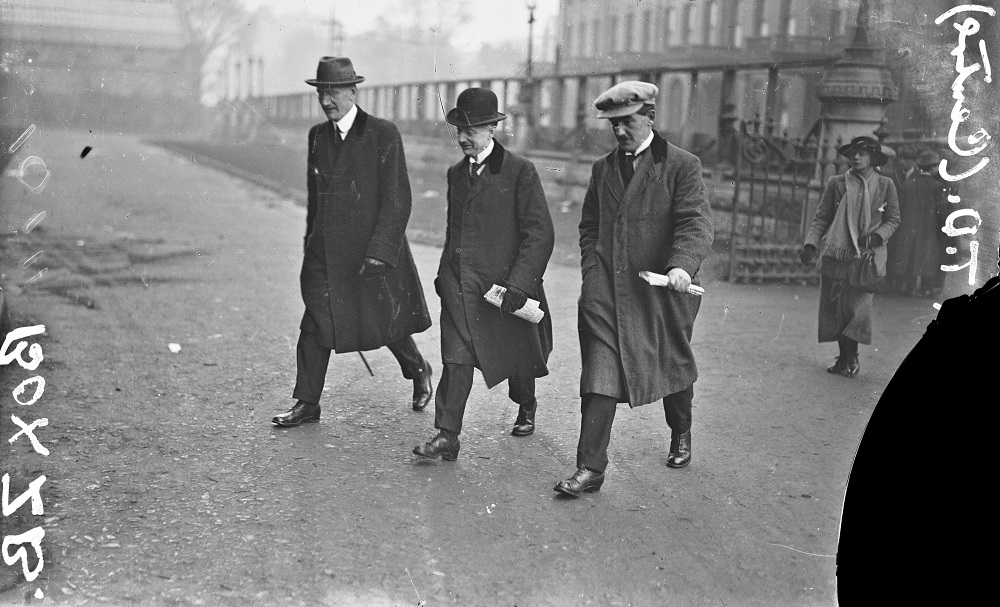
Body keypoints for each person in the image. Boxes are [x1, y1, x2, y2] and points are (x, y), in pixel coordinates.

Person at [554, 81, 714, 497]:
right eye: (614, 125)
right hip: (607, 291)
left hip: (662, 293)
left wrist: (681, 265)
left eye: (628, 122)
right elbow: (589, 227)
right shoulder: (603, 169)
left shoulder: (681, 165)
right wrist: (593, 273)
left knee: (671, 367)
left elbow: (694, 223)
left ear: (650, 118)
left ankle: (681, 430)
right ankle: (590, 467)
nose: (620, 132)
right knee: (599, 373)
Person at [272, 57, 433, 427]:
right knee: (315, 320)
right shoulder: (317, 136)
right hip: (326, 253)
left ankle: (418, 367)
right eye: (321, 93)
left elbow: (397, 199)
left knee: (381, 320)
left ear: (352, 92)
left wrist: (380, 251)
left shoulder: (382, 133)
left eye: (333, 93)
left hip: (368, 252)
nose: (327, 101)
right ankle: (307, 402)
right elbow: (317, 198)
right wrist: (309, 241)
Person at [411, 88, 555, 461]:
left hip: (505, 288)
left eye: (472, 129)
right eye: (459, 129)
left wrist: (518, 285)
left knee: (518, 356)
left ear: (492, 128)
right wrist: (445, 275)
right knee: (456, 358)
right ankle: (447, 435)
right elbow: (452, 228)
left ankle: (526, 402)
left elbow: (540, 234)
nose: (463, 137)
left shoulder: (520, 172)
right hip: (462, 284)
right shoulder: (456, 174)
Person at [800, 136, 900, 377]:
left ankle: (850, 357)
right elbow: (823, 216)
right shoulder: (837, 183)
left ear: (873, 158)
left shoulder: (885, 185)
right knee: (837, 309)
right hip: (837, 252)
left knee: (857, 309)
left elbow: (894, 218)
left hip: (867, 256)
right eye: (853, 153)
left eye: (862, 153)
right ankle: (844, 357)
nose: (856, 157)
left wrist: (876, 237)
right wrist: (811, 244)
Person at [890, 149, 951, 297]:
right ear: (932, 167)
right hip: (929, 228)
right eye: (936, 166)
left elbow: (900, 207)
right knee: (928, 256)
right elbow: (942, 211)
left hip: (908, 226)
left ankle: (909, 287)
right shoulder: (938, 186)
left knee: (910, 254)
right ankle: (926, 288)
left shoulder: (907, 184)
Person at [883, 146, 917, 293]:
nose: (902, 162)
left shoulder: (919, 176)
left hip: (911, 222)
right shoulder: (894, 176)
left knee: (910, 254)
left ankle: (909, 286)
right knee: (892, 251)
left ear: (913, 161)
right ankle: (892, 283)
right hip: (895, 221)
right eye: (901, 159)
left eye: (906, 159)